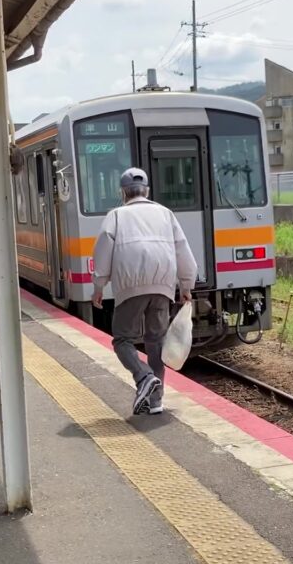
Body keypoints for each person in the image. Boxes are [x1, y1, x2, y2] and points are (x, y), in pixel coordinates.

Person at [91, 167, 197, 415]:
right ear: (147, 191)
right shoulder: (165, 214)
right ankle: (156, 401)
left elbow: (103, 252)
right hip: (163, 286)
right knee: (156, 342)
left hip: (130, 285)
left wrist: (99, 286)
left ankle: (143, 376)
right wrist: (186, 286)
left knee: (122, 339)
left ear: (123, 193)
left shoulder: (116, 216)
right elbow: (183, 250)